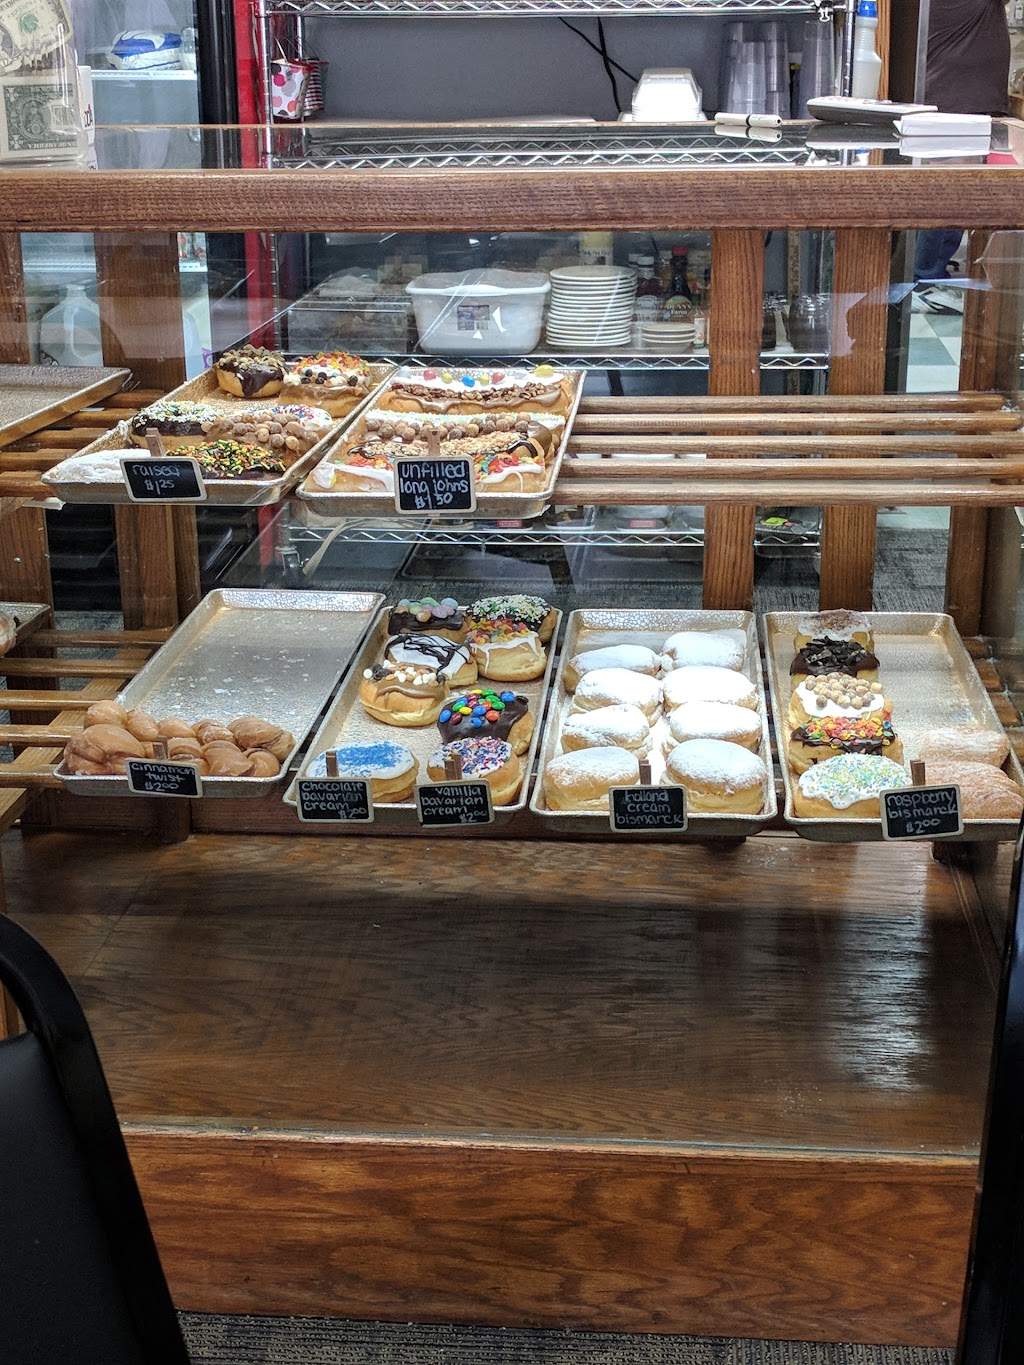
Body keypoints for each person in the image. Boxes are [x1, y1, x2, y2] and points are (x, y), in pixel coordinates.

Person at [913, 0, 1011, 310]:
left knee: (949, 194)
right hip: (957, 102)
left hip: (955, 100)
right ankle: (924, 282)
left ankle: (934, 270)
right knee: (946, 195)